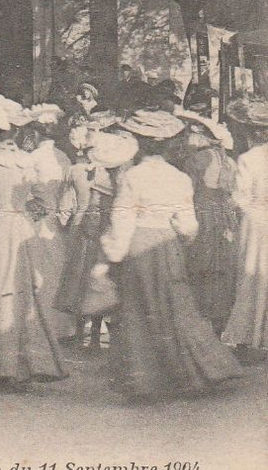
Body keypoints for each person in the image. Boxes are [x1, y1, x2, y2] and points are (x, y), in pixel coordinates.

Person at [100, 109, 242, 400]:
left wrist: (113, 254)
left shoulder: (132, 176)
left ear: (140, 143)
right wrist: (182, 242)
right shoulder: (179, 177)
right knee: (177, 306)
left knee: (139, 310)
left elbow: (123, 218)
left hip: (139, 245)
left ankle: (147, 379)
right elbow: (188, 224)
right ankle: (201, 368)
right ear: (166, 145)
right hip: (168, 243)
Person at [0, 125, 66, 390]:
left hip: (0, 228)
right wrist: (29, 215)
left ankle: (3, 368)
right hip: (23, 228)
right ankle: (29, 364)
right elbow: (45, 200)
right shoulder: (28, 161)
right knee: (24, 295)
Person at [55, 128, 138, 352]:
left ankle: (84, 335)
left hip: (89, 231)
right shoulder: (117, 173)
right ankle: (92, 337)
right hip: (103, 230)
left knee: (83, 279)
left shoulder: (79, 171)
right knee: (97, 280)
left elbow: (67, 205)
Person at [171, 110, 238, 336]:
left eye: (191, 132)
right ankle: (218, 327)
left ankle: (199, 325)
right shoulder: (226, 159)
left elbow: (185, 189)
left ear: (201, 136)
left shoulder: (198, 159)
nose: (187, 137)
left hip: (202, 214)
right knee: (220, 271)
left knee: (199, 268)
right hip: (224, 216)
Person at [21, 105, 74, 341]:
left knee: (38, 272)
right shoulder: (63, 157)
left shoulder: (31, 158)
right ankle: (63, 326)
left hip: (39, 219)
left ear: (36, 134)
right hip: (57, 221)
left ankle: (40, 324)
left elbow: (25, 192)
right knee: (57, 269)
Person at [221, 99, 268, 363]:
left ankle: (250, 333)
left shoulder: (248, 159)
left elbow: (240, 196)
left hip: (256, 220)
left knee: (251, 273)